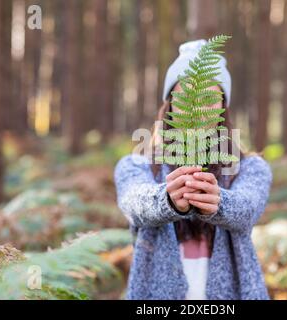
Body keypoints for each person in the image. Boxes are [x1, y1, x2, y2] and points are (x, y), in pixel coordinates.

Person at [114, 39, 273, 300]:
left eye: (210, 97)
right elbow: (135, 204)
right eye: (187, 95)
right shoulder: (135, 165)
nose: (198, 107)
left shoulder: (251, 167)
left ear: (223, 107)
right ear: (171, 104)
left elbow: (247, 208)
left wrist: (218, 203)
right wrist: (167, 199)